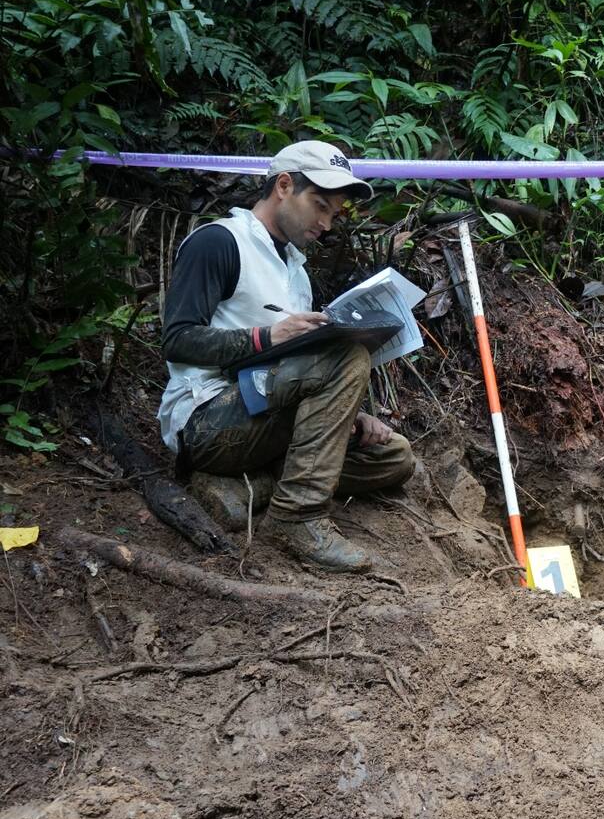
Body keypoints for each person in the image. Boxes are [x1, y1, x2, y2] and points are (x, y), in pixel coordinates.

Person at [157, 140, 415, 573]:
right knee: (348, 356)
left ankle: (252, 487)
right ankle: (296, 518)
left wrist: (348, 412)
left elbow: (301, 372)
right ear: (283, 186)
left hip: (267, 414)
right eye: (320, 206)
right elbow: (178, 340)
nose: (325, 224)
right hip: (206, 420)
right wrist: (266, 337)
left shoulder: (295, 269)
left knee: (394, 455)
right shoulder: (220, 242)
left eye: (333, 214)